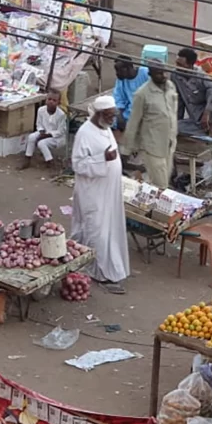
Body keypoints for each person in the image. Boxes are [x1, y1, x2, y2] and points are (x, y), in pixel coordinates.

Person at [71, 96, 130, 293]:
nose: (113, 119)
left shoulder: (105, 128)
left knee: (109, 229)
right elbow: (78, 164)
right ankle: (99, 273)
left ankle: (108, 267)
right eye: (109, 115)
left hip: (109, 191)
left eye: (114, 115)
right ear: (98, 114)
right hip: (93, 192)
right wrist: (102, 158)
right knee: (96, 231)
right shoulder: (84, 133)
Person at [121, 60, 178, 189]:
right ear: (150, 74)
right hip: (152, 146)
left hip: (169, 143)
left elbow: (172, 113)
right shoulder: (142, 94)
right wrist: (127, 150)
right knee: (161, 185)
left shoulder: (170, 86)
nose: (163, 76)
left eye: (164, 72)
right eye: (158, 73)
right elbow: (133, 122)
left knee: (164, 182)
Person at [173, 47, 212, 137]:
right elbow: (179, 100)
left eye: (180, 65)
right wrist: (177, 121)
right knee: (174, 127)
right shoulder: (175, 76)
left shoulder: (200, 75)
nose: (177, 67)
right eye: (177, 63)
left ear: (190, 65)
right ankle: (208, 130)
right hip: (197, 118)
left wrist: (207, 112)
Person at [21, 90, 67, 170]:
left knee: (41, 143)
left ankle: (50, 161)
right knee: (31, 137)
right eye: (49, 99)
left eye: (54, 100)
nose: (51, 102)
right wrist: (41, 131)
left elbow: (61, 131)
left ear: (58, 102)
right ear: (46, 100)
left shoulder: (61, 115)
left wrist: (47, 135)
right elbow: (39, 124)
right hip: (44, 132)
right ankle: (27, 158)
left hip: (56, 138)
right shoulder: (41, 110)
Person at [112, 55, 149, 131]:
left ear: (128, 68)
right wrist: (119, 116)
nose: (117, 73)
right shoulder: (121, 80)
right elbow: (118, 98)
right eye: (116, 70)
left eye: (119, 70)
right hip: (129, 112)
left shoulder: (145, 73)